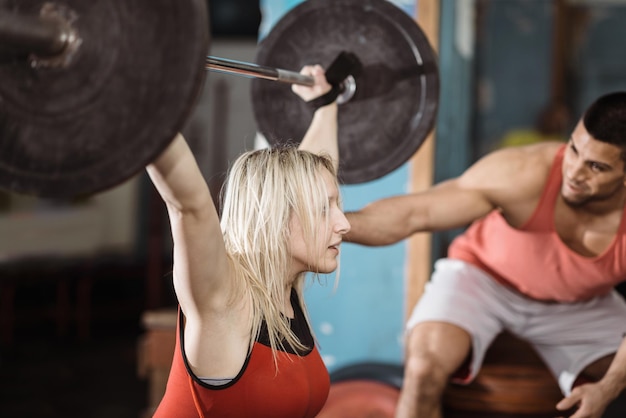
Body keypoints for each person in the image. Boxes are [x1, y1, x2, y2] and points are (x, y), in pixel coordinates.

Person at [344, 92, 626, 418]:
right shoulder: (524, 172)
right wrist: (333, 226)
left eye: (596, 167)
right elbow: (414, 214)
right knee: (422, 368)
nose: (574, 172)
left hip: (578, 303)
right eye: (574, 149)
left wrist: (608, 388)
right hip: (482, 279)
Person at [148, 64, 350, 418]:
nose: (344, 224)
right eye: (323, 210)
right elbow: (189, 206)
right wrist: (136, 101)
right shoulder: (224, 299)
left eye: (337, 206)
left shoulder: (284, 290)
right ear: (275, 218)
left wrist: (326, 104)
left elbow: (312, 175)